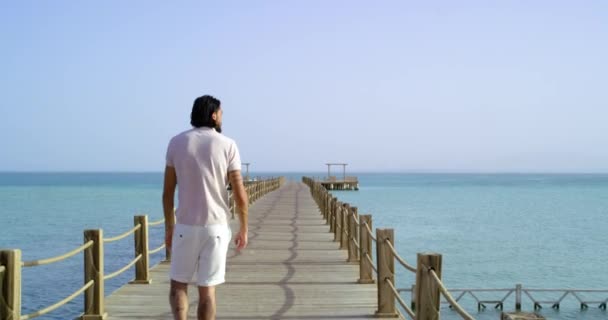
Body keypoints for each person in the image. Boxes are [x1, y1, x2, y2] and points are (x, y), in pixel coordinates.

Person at [162, 95, 249, 320]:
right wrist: (244, 228)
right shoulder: (228, 144)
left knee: (178, 286)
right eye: (221, 113)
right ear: (213, 115)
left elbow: (168, 192)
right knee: (207, 292)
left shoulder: (176, 142)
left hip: (186, 226)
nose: (222, 117)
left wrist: (169, 227)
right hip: (216, 228)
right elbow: (240, 194)